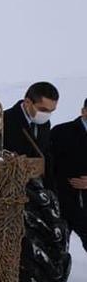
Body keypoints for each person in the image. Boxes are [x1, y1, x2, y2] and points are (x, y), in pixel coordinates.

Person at [2, 82, 58, 185]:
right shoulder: (4, 121)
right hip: (11, 186)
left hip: (37, 186)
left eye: (51, 111)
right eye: (43, 110)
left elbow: (45, 152)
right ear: (27, 102)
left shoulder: (45, 123)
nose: (46, 114)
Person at [51, 97, 87, 252]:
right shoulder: (61, 132)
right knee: (57, 249)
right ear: (83, 111)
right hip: (62, 201)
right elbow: (49, 165)